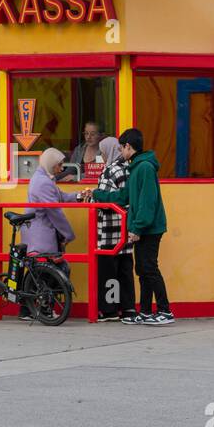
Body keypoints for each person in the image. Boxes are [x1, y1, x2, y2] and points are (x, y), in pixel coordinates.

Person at [87, 128, 173, 325]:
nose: (120, 152)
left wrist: (137, 228)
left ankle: (164, 310)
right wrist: (98, 194)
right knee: (142, 269)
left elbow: (146, 202)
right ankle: (144, 311)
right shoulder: (136, 167)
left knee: (149, 269)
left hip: (150, 229)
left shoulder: (144, 168)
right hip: (145, 227)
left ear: (128, 147)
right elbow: (124, 196)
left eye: (122, 148)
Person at [21, 148, 79, 320]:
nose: (61, 168)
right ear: (51, 164)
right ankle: (42, 308)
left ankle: (28, 309)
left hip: (38, 232)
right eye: (59, 165)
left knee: (38, 271)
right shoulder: (43, 182)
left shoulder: (43, 178)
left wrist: (79, 196)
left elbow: (60, 197)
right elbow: (55, 212)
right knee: (51, 270)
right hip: (41, 234)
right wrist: (68, 234)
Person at [86, 136, 136, 322]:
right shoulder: (129, 168)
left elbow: (104, 199)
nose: (101, 154)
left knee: (107, 272)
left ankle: (109, 310)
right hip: (126, 229)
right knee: (125, 270)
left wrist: (92, 195)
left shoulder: (109, 171)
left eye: (103, 150)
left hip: (108, 230)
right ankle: (129, 308)